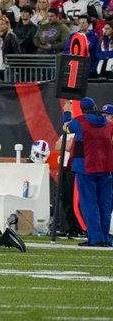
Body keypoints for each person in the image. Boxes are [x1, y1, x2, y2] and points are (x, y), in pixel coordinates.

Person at [63, 97, 113, 247]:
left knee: (89, 204)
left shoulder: (79, 122)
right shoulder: (109, 124)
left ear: (83, 109)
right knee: (105, 204)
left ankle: (96, 238)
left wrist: (67, 112)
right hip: (106, 168)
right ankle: (105, 238)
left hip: (86, 168)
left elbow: (65, 128)